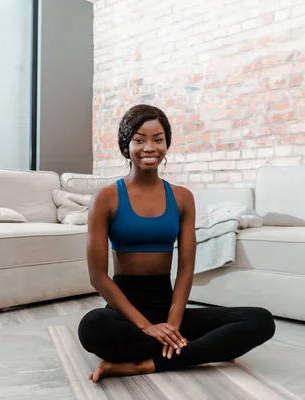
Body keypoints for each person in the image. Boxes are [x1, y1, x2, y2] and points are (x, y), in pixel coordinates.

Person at [77, 104, 275, 383]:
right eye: (139, 139)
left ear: (167, 143)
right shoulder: (106, 198)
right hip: (126, 315)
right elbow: (97, 276)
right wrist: (146, 327)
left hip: (169, 308)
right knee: (92, 326)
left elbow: (185, 268)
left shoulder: (182, 197)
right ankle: (198, 351)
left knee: (260, 320)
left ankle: (146, 364)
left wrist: (172, 324)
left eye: (158, 139)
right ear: (126, 145)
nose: (149, 147)